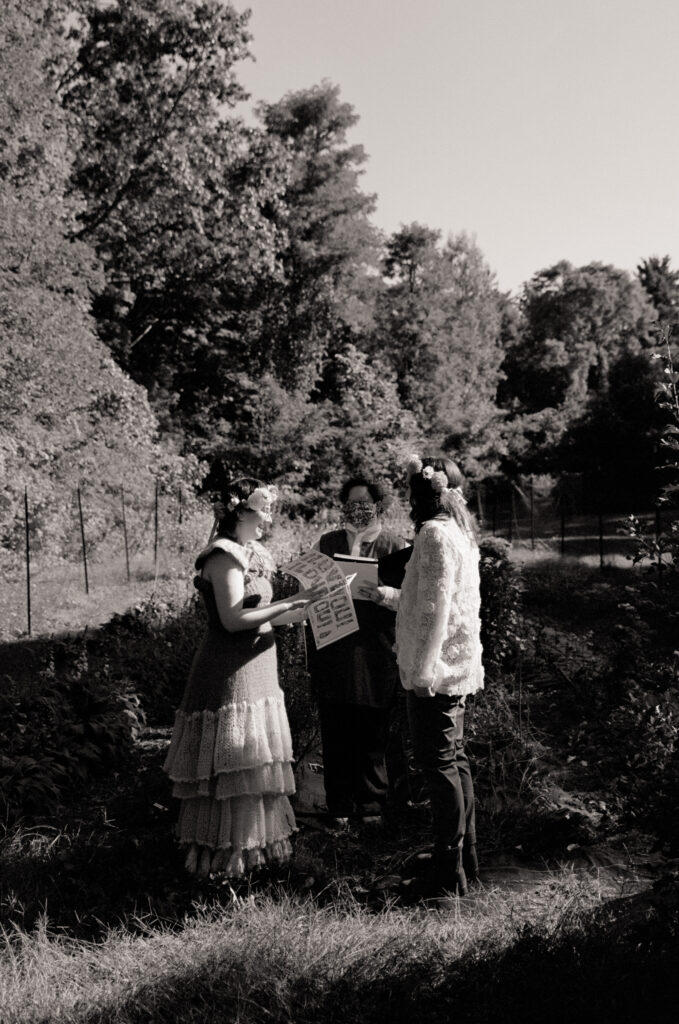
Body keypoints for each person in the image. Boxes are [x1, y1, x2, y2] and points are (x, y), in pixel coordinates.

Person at [163, 478, 323, 878]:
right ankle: (223, 859)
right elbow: (234, 620)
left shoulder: (252, 553)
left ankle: (257, 853)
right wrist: (288, 603)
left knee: (255, 759)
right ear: (240, 512)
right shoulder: (223, 557)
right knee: (233, 759)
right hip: (229, 669)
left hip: (259, 665)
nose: (268, 518)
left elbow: (262, 610)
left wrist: (301, 611)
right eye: (262, 509)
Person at [393, 455, 484, 899]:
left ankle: (447, 873)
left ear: (418, 494)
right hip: (458, 668)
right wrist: (389, 596)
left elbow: (435, 610)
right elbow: (432, 599)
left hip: (436, 672)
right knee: (455, 760)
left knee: (439, 767)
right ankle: (466, 862)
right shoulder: (459, 533)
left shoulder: (432, 534)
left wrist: (424, 670)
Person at [309, 476, 408, 827]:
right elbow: (312, 588)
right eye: (351, 504)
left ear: (379, 506)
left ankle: (371, 807)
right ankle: (338, 806)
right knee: (335, 729)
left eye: (365, 503)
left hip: (376, 649)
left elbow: (410, 600)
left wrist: (384, 594)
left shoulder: (394, 545)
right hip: (335, 648)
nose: (358, 510)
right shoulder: (328, 542)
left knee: (372, 730)